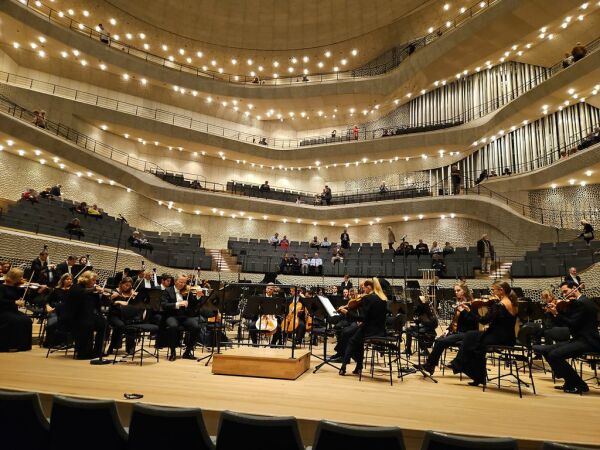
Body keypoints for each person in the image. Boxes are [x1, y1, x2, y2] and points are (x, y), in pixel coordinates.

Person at [533, 281, 600, 394]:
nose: (564, 295)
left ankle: (579, 384)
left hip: (588, 340)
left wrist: (557, 314)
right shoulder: (578, 303)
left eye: (565, 291)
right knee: (546, 350)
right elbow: (566, 320)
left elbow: (572, 324)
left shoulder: (583, 303)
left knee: (554, 354)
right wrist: (555, 312)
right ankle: (568, 379)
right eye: (563, 292)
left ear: (574, 288)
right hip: (579, 339)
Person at [449, 281, 518, 386]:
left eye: (494, 290)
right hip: (506, 335)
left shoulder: (500, 304)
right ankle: (462, 366)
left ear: (501, 291)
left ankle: (462, 366)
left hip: (499, 337)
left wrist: (469, 311)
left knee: (475, 343)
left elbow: (483, 321)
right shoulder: (510, 301)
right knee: (470, 336)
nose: (492, 292)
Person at [415, 283, 479, 374]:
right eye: (455, 291)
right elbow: (455, 321)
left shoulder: (472, 304)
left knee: (441, 342)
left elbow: (474, 321)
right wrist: (448, 329)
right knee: (438, 340)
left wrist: (464, 311)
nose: (456, 293)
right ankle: (430, 366)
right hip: (457, 332)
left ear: (464, 291)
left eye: (458, 290)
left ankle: (429, 365)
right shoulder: (459, 303)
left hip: (467, 333)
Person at [338, 279, 387, 375]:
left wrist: (347, 312)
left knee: (352, 340)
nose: (363, 290)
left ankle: (343, 366)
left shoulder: (368, 298)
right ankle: (359, 366)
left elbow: (362, 318)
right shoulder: (383, 298)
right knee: (356, 339)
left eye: (363, 288)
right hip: (380, 330)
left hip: (369, 330)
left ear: (369, 287)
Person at [64, 271, 107, 359]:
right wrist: (94, 289)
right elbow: (81, 292)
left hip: (89, 316)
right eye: (93, 280)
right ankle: (84, 353)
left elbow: (97, 306)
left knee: (104, 324)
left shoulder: (92, 290)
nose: (95, 282)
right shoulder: (76, 287)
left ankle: (97, 351)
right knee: (87, 324)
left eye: (95, 280)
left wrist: (100, 296)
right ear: (86, 280)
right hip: (76, 317)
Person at [161, 274, 204, 361]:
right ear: (176, 281)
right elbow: (164, 305)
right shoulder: (167, 291)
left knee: (197, 327)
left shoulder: (187, 291)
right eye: (181, 282)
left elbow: (193, 303)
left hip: (184, 317)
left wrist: (198, 296)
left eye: (184, 282)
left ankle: (187, 352)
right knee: (173, 327)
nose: (182, 284)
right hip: (172, 316)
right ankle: (173, 352)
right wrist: (178, 304)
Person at [0, 268, 33, 352]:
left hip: (13, 311)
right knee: (14, 320)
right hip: (3, 310)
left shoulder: (18, 287)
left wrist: (28, 290)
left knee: (27, 320)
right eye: (20, 277)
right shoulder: (2, 287)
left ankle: (22, 345)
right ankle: (7, 345)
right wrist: (14, 302)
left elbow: (28, 298)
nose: (22, 279)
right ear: (14, 278)